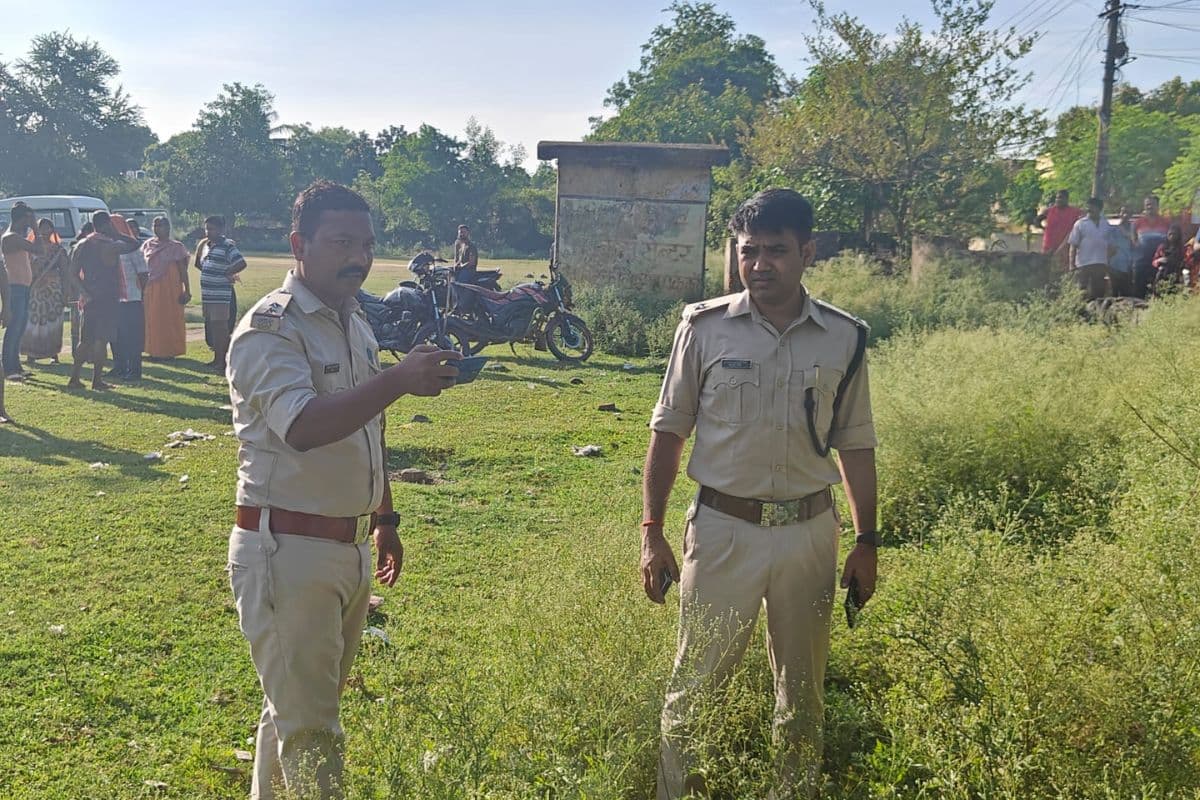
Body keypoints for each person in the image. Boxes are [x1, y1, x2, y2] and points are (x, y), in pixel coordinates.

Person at [226, 181, 463, 799]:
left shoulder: (353, 321)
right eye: (340, 243)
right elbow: (303, 426)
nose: (358, 257)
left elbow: (368, 428)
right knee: (313, 731)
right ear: (298, 245)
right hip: (288, 550)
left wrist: (385, 519)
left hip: (347, 546)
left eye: (366, 245)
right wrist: (399, 379)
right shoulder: (269, 329)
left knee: (296, 709)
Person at [642, 188, 879, 799]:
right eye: (749, 252)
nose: (760, 264)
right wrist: (652, 532)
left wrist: (867, 541)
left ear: (807, 252)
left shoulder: (844, 338)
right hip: (723, 531)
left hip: (809, 535)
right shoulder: (703, 328)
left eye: (776, 250)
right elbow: (668, 432)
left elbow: (855, 444)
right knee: (695, 689)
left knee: (802, 695)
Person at [67, 211, 140, 391]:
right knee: (101, 339)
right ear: (107, 224)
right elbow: (135, 244)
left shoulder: (81, 244)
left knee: (85, 340)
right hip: (107, 297)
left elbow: (72, 274)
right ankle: (97, 381)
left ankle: (74, 378)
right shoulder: (111, 245)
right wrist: (117, 234)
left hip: (89, 297)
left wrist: (84, 292)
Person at [194, 215, 247, 373]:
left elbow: (241, 262)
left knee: (221, 328)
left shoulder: (227, 246)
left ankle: (223, 361)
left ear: (221, 229)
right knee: (214, 328)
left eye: (212, 229)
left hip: (220, 294)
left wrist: (227, 272)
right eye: (206, 229)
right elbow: (201, 265)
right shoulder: (208, 246)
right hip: (208, 294)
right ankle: (216, 359)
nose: (208, 232)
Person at [21, 218, 72, 364]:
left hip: (53, 290)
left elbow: (65, 272)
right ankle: (31, 354)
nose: (45, 231)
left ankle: (53, 354)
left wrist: (66, 292)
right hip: (34, 289)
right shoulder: (30, 249)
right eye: (41, 228)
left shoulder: (59, 250)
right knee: (33, 321)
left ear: (52, 230)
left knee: (53, 321)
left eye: (48, 228)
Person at [142, 217, 191, 360]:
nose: (157, 228)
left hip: (170, 288)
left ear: (168, 228)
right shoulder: (148, 245)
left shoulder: (176, 247)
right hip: (152, 287)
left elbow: (183, 271)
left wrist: (187, 290)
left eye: (161, 225)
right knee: (153, 319)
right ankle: (154, 351)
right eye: (155, 225)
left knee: (170, 319)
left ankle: (169, 351)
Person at [2, 201, 40, 380]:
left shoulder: (17, 237)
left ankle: (15, 366)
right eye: (29, 219)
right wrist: (36, 230)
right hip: (14, 287)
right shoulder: (12, 237)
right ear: (23, 218)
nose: (31, 222)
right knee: (14, 327)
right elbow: (39, 249)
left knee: (20, 327)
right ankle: (8, 368)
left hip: (22, 286)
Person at [111, 216, 151, 380]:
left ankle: (134, 370)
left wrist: (141, 294)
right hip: (115, 299)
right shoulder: (111, 248)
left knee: (132, 336)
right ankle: (119, 367)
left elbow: (143, 274)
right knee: (116, 336)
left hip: (132, 298)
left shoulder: (134, 249)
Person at [1067, 197, 1115, 301]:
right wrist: (1071, 265)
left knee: (1098, 293)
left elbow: (1111, 245)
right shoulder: (1080, 223)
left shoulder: (1105, 224)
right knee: (1082, 293)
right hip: (1083, 264)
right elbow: (1073, 245)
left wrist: (1107, 261)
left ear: (1099, 209)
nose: (1089, 209)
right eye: (1088, 207)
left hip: (1100, 264)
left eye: (1093, 207)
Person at [1036, 189, 1082, 268]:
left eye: (1060, 197)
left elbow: (1084, 217)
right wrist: (1044, 229)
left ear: (1066, 199)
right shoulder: (1050, 210)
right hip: (1048, 246)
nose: (1058, 200)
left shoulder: (1074, 211)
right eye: (1056, 198)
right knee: (1046, 268)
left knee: (1063, 268)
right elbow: (1037, 220)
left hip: (1065, 247)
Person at [1152, 223, 1187, 295]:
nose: (1172, 236)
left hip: (1175, 274)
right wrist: (1159, 260)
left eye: (1174, 234)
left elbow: (1186, 261)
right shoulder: (1162, 247)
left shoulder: (1182, 249)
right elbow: (1154, 261)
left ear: (1178, 235)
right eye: (1170, 234)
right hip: (1162, 274)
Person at [1108, 206, 1136, 297]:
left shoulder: (1135, 229)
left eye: (1127, 213)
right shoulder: (1113, 229)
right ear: (1119, 214)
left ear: (1131, 215)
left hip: (1128, 265)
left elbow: (1135, 244)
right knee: (1114, 293)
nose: (1125, 215)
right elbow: (1110, 247)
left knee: (1127, 293)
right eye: (1123, 212)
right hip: (1114, 265)